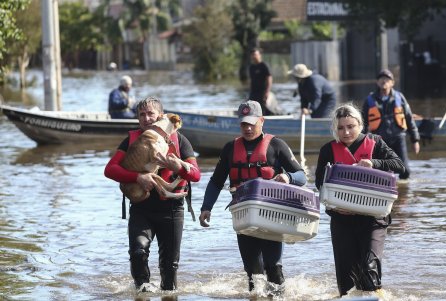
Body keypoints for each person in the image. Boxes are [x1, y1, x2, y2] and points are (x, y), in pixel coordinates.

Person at [199, 100, 306, 292]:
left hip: (272, 216)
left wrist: (287, 177)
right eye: (243, 123)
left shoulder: (277, 145)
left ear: (262, 121)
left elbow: (302, 176)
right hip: (244, 217)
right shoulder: (230, 149)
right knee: (253, 275)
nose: (247, 128)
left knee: (274, 270)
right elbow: (216, 181)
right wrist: (206, 207)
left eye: (251, 123)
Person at [104, 96, 201, 292]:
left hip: (172, 209)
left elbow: (196, 175)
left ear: (161, 116)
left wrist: (180, 167)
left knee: (169, 268)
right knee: (138, 253)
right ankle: (142, 291)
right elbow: (110, 169)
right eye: (142, 114)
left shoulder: (180, 140)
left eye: (151, 114)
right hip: (142, 209)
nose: (146, 118)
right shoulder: (131, 140)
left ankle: (168, 293)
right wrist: (138, 177)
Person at [315, 104, 405, 297]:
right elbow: (319, 183)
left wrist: (375, 163)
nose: (346, 132)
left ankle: (374, 295)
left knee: (369, 270)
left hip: (373, 219)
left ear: (360, 125)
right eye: (340, 128)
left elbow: (400, 166)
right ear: (335, 129)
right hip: (342, 221)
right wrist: (337, 206)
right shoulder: (327, 150)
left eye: (351, 126)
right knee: (346, 283)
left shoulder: (376, 143)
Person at [361, 69, 420, 180]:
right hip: (380, 141)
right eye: (381, 79)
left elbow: (409, 118)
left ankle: (403, 193)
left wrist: (415, 140)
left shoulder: (400, 97)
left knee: (405, 172)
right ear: (377, 82)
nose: (384, 81)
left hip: (398, 138)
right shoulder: (369, 100)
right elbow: (363, 123)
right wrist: (358, 143)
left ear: (392, 83)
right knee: (381, 175)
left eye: (387, 79)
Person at [248, 49, 276, 115]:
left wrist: (267, 92)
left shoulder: (264, 65)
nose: (254, 56)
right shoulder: (251, 67)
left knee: (262, 109)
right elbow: (251, 80)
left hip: (262, 92)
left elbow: (269, 78)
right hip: (254, 92)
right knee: (251, 108)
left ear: (259, 55)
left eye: (255, 54)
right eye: (252, 55)